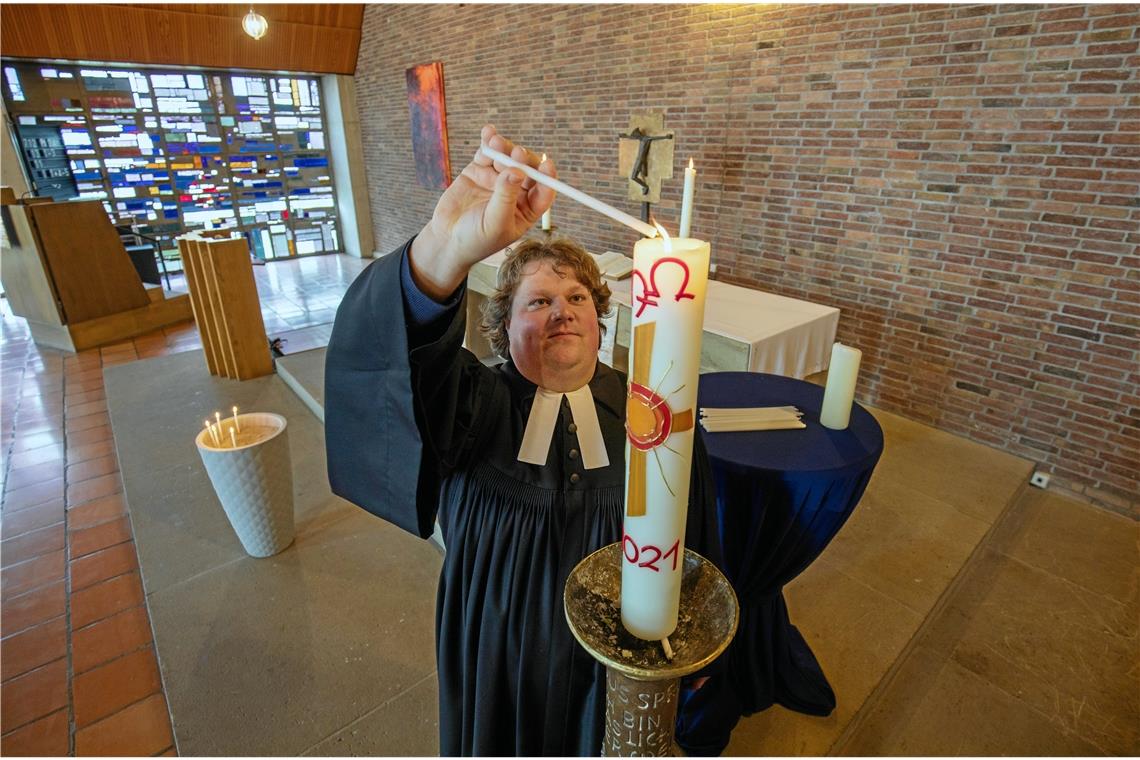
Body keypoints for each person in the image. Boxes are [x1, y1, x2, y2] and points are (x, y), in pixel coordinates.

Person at [324, 125, 724, 756]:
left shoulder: (655, 415)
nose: (561, 311)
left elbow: (692, 527)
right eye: (537, 302)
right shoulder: (472, 402)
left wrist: (693, 635)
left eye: (575, 298)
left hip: (612, 663)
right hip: (498, 652)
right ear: (504, 327)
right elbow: (401, 364)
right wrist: (440, 254)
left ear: (600, 318)